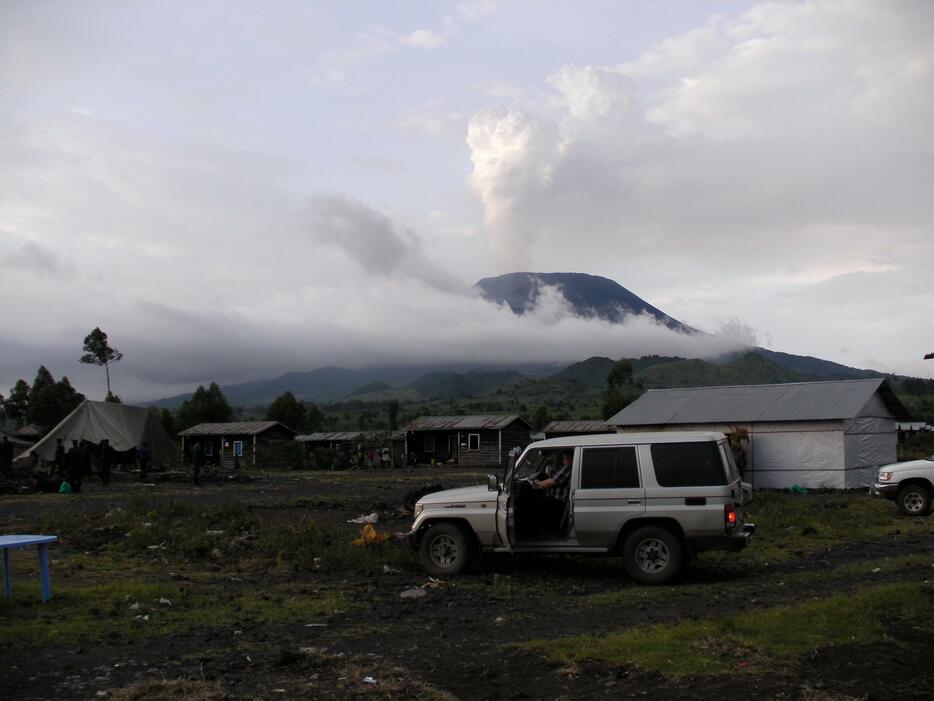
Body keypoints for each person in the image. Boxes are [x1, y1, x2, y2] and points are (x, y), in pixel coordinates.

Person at [533, 449, 574, 535]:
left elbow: (551, 482)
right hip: (556, 500)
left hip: (557, 501)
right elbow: (552, 479)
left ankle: (541, 533)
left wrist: (537, 482)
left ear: (569, 458)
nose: (563, 460)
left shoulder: (568, 467)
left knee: (535, 508)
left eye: (564, 458)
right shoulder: (566, 467)